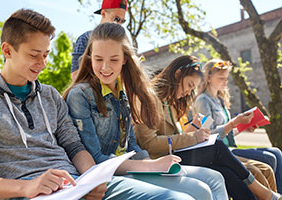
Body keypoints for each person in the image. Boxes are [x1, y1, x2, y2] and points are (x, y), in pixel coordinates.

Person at [0, 9, 192, 200]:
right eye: (34, 55)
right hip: (29, 193)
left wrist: (91, 179)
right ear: (7, 50)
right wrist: (28, 187)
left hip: (78, 184)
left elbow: (74, 145)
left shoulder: (50, 95)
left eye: (45, 54)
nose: (43, 63)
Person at [64, 22, 229, 200]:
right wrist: (150, 166)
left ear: (125, 59)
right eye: (98, 59)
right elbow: (95, 157)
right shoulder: (80, 96)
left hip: (135, 167)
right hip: (111, 174)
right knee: (199, 190)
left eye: (113, 60)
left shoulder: (124, 93)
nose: (105, 67)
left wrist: (152, 163)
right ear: (89, 57)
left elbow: (132, 144)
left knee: (214, 178)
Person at [133, 55, 282, 200]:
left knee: (227, 173)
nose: (189, 92)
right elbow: (150, 144)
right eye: (190, 85)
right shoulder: (148, 99)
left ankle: (262, 195)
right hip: (161, 160)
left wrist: (193, 130)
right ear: (178, 74)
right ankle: (263, 193)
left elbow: (175, 137)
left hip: (176, 155)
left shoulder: (170, 102)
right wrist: (194, 137)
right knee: (218, 148)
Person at [192, 58, 282, 193]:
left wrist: (243, 127)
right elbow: (208, 134)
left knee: (276, 152)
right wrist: (235, 123)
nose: (225, 82)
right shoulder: (203, 101)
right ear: (208, 78)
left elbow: (227, 133)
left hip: (229, 147)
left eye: (226, 78)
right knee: (268, 158)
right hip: (221, 152)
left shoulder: (220, 101)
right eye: (221, 78)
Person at [71, 0, 128, 80]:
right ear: (103, 13)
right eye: (116, 19)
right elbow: (75, 75)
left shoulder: (123, 42)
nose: (119, 25)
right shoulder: (85, 39)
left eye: (122, 21)